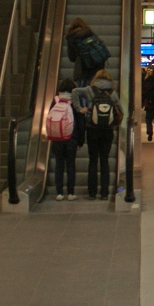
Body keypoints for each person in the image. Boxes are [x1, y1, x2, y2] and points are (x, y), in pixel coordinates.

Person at [72, 70, 123, 201]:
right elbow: (120, 111)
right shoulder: (113, 93)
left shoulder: (89, 90)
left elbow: (75, 92)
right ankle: (105, 193)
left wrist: (79, 108)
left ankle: (92, 193)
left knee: (93, 160)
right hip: (107, 130)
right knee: (105, 160)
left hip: (92, 129)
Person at [50, 78, 84, 201]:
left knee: (59, 165)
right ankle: (70, 193)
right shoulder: (75, 101)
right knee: (70, 165)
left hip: (57, 138)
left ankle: (59, 193)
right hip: (71, 137)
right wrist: (81, 140)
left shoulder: (55, 100)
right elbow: (80, 121)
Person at [65, 17, 106, 87]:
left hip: (81, 71)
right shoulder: (90, 34)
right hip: (96, 70)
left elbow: (71, 58)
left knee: (81, 93)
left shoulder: (71, 37)